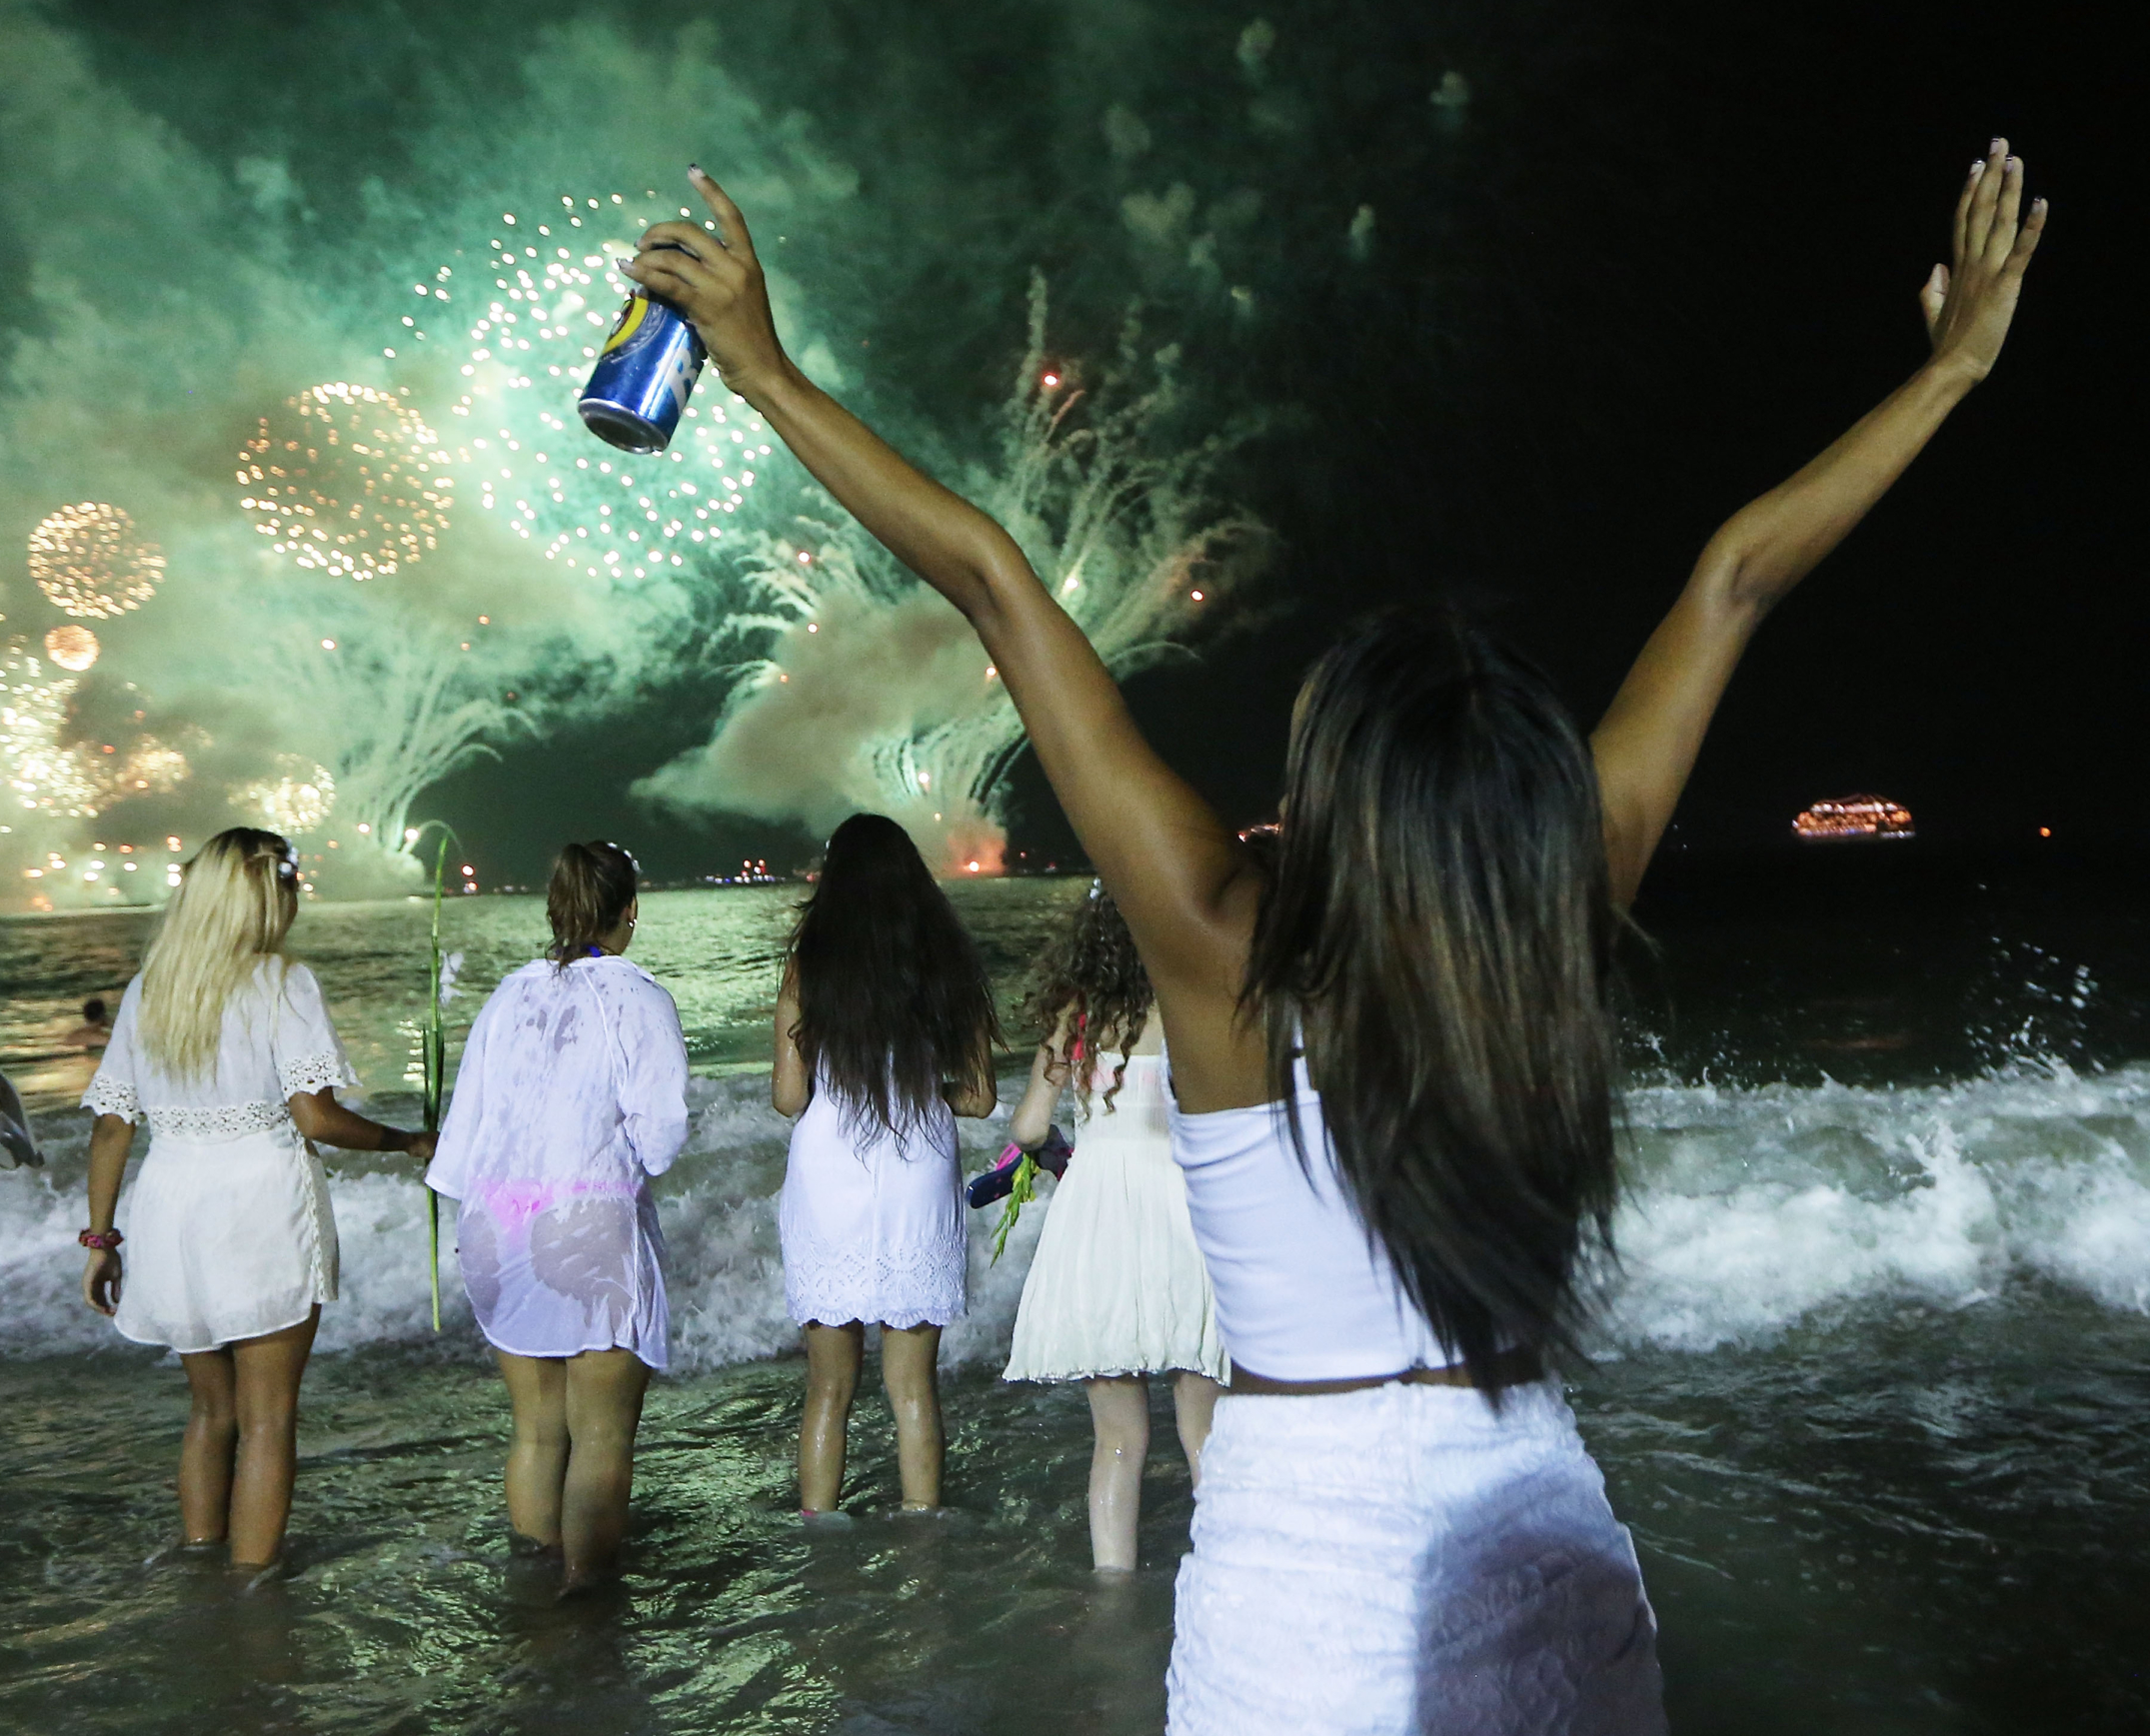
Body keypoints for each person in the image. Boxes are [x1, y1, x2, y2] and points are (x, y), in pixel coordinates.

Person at [632, 146, 2042, 1730]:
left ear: (1333, 800)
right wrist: (1956, 371)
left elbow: (993, 585)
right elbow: (1730, 587)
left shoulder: (1223, 963)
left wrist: (757, 372)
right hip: (1544, 1550)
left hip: (1293, 1590)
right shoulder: (1555, 924)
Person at [78, 827, 433, 1580]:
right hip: (260, 1208)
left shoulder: (151, 988)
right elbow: (317, 1118)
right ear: (270, 895)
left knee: (212, 1413)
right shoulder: (282, 983)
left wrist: (101, 1240)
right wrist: (405, 1141)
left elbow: (112, 1125)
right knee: (269, 1419)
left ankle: (202, 1559)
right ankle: (253, 1588)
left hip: (171, 1207)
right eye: (292, 884)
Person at [426, 841, 689, 1593]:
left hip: (495, 1227)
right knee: (601, 1435)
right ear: (630, 911)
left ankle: (536, 1594)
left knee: (538, 1433)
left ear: (554, 910)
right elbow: (662, 1139)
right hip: (587, 1230)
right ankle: (587, 1601)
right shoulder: (638, 996)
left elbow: (458, 1148)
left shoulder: (506, 997)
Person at [772, 813, 999, 1514]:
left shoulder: (809, 963)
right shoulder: (943, 961)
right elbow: (981, 1097)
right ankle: (923, 1548)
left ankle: (819, 1538)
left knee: (829, 1389)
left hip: (828, 1171)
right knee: (911, 1389)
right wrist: (923, 1087)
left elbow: (787, 1098)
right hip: (916, 1167)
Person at [999, 882, 1227, 1573]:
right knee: (1205, 1430)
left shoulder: (1078, 1013)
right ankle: (1231, 1569)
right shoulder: (1190, 1000)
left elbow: (1031, 1126)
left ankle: (1113, 1593)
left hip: (1101, 1218)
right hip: (1188, 1211)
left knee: (1119, 1441)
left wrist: (1045, 1150)